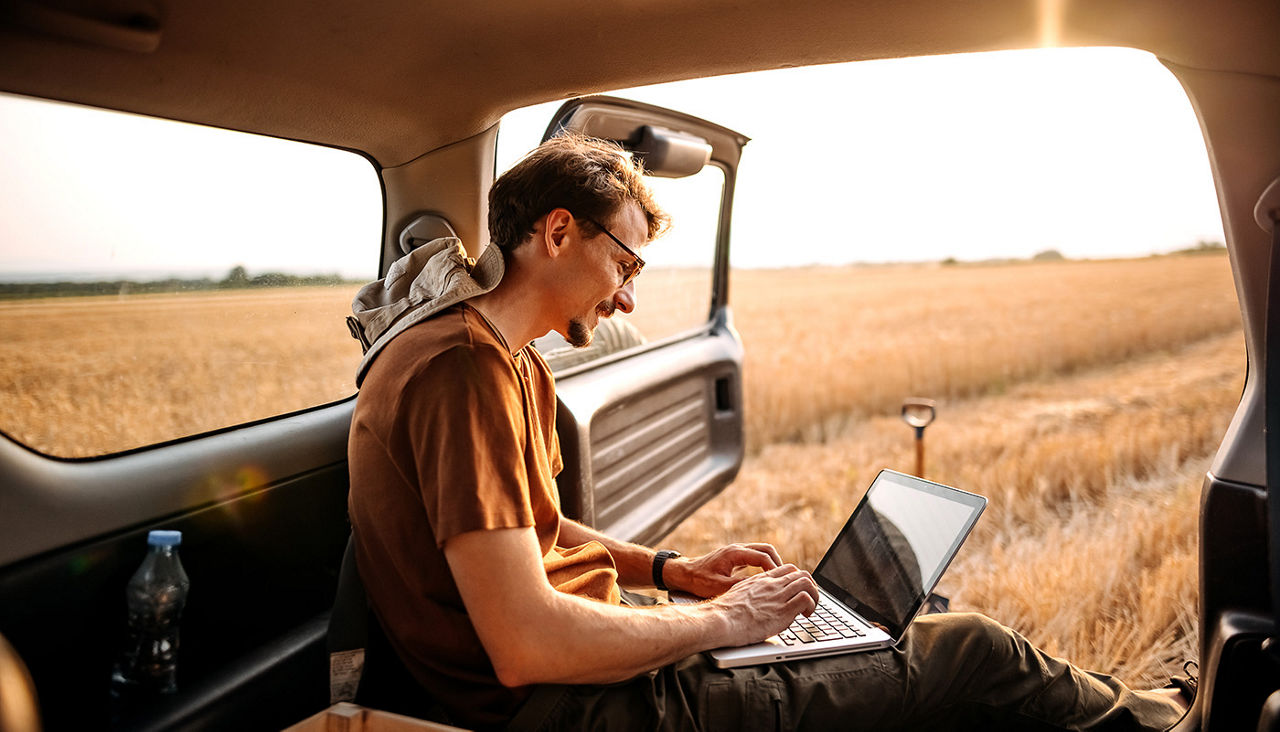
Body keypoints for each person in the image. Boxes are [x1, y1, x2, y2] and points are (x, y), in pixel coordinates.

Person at [346, 134, 1186, 731]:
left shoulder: (507, 358)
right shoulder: (464, 369)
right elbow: (527, 645)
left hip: (583, 670)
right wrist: (724, 623)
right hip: (571, 707)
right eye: (626, 265)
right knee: (970, 650)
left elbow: (538, 529)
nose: (628, 299)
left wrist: (678, 572)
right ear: (558, 230)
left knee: (914, 632)